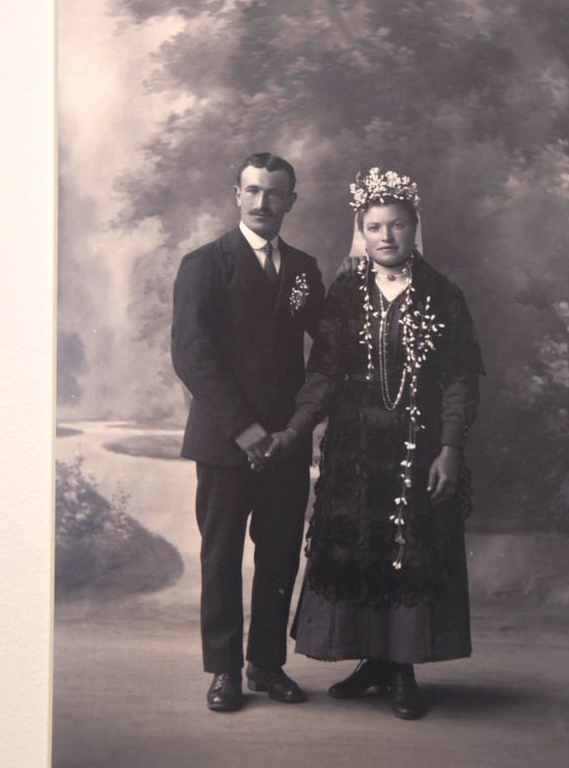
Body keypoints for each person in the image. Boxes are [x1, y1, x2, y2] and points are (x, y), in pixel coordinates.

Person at [266, 167, 483, 720]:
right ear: (362, 233)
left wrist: (450, 449)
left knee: (407, 551)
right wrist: (295, 428)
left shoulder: (442, 294)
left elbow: (460, 379)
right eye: (375, 227)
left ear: (415, 228)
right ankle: (373, 661)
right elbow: (324, 373)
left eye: (398, 225)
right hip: (355, 447)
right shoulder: (345, 294)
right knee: (360, 548)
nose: (387, 236)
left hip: (418, 443)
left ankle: (402, 667)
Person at [171, 152, 324, 712]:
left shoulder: (303, 269)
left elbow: (329, 348)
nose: (263, 202)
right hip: (223, 441)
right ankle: (224, 670)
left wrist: (295, 426)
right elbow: (192, 355)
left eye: (274, 192)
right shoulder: (204, 265)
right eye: (253, 190)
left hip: (285, 443)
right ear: (236, 194)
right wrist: (243, 427)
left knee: (280, 555)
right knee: (221, 556)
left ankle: (266, 664)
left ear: (290, 201)